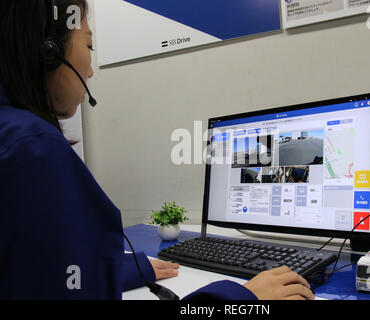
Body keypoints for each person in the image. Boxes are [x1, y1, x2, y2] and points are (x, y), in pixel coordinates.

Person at [0, 0, 314, 300]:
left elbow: (37, 276)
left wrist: (120, 268)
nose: (91, 71)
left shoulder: (13, 137)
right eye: (88, 46)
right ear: (49, 52)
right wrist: (243, 297)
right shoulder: (32, 149)